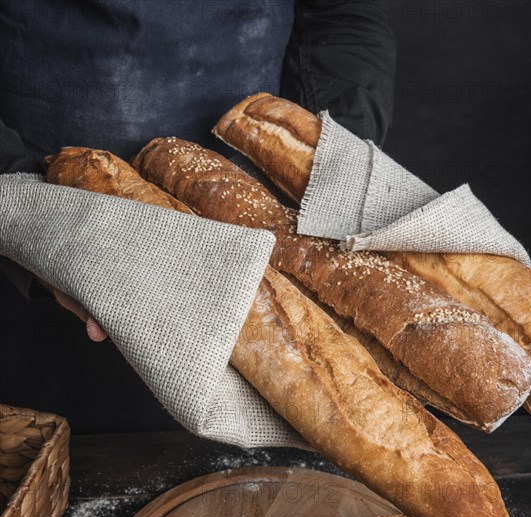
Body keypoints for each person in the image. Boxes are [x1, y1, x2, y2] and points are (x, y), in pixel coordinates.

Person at [0, 0, 395, 428]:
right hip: (46, 232)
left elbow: (343, 12)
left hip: (266, 223)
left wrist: (330, 162)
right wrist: (30, 216)